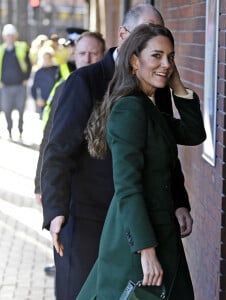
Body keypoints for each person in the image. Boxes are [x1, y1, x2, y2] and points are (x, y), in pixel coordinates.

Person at [41, 4, 192, 300]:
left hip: (137, 221)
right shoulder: (83, 81)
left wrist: (179, 201)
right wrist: (55, 209)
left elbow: (164, 150)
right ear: (123, 35)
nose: (152, 42)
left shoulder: (155, 83)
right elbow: (58, 150)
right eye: (144, 33)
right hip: (88, 219)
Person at [77, 23, 206, 300]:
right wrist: (146, 251)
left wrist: (176, 84)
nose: (166, 64)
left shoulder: (147, 106)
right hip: (139, 238)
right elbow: (127, 186)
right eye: (156, 56)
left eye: (170, 57)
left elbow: (194, 133)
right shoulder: (130, 108)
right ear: (134, 60)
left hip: (161, 231)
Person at [35, 31, 106, 279]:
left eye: (93, 53)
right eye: (83, 53)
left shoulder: (112, 88)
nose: (87, 58)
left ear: (103, 55)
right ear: (74, 54)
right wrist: (40, 184)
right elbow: (50, 140)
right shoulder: (67, 86)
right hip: (73, 192)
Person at [0, 24, 31, 139]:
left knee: (21, 110)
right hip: (5, 86)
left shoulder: (22, 47)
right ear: (4, 36)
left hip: (20, 85)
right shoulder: (1, 50)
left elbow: (28, 64)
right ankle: (9, 130)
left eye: (12, 35)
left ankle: (20, 130)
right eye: (8, 35)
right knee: (6, 110)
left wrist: (26, 78)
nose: (10, 37)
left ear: (15, 36)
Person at [31, 46, 58, 118]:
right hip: (44, 103)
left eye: (49, 58)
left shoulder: (57, 70)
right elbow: (33, 88)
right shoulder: (38, 72)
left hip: (57, 101)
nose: (47, 60)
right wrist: (37, 99)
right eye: (45, 58)